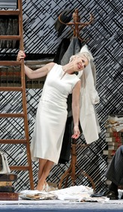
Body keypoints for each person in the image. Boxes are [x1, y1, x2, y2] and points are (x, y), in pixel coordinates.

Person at [17, 48, 92, 191]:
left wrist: (76, 125)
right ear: (74, 57)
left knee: (52, 149)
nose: (82, 65)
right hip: (45, 110)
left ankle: (40, 183)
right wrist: (20, 62)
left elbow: (75, 104)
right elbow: (31, 75)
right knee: (43, 146)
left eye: (85, 65)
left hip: (59, 114)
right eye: (82, 61)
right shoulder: (52, 67)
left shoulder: (76, 81)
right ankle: (40, 183)